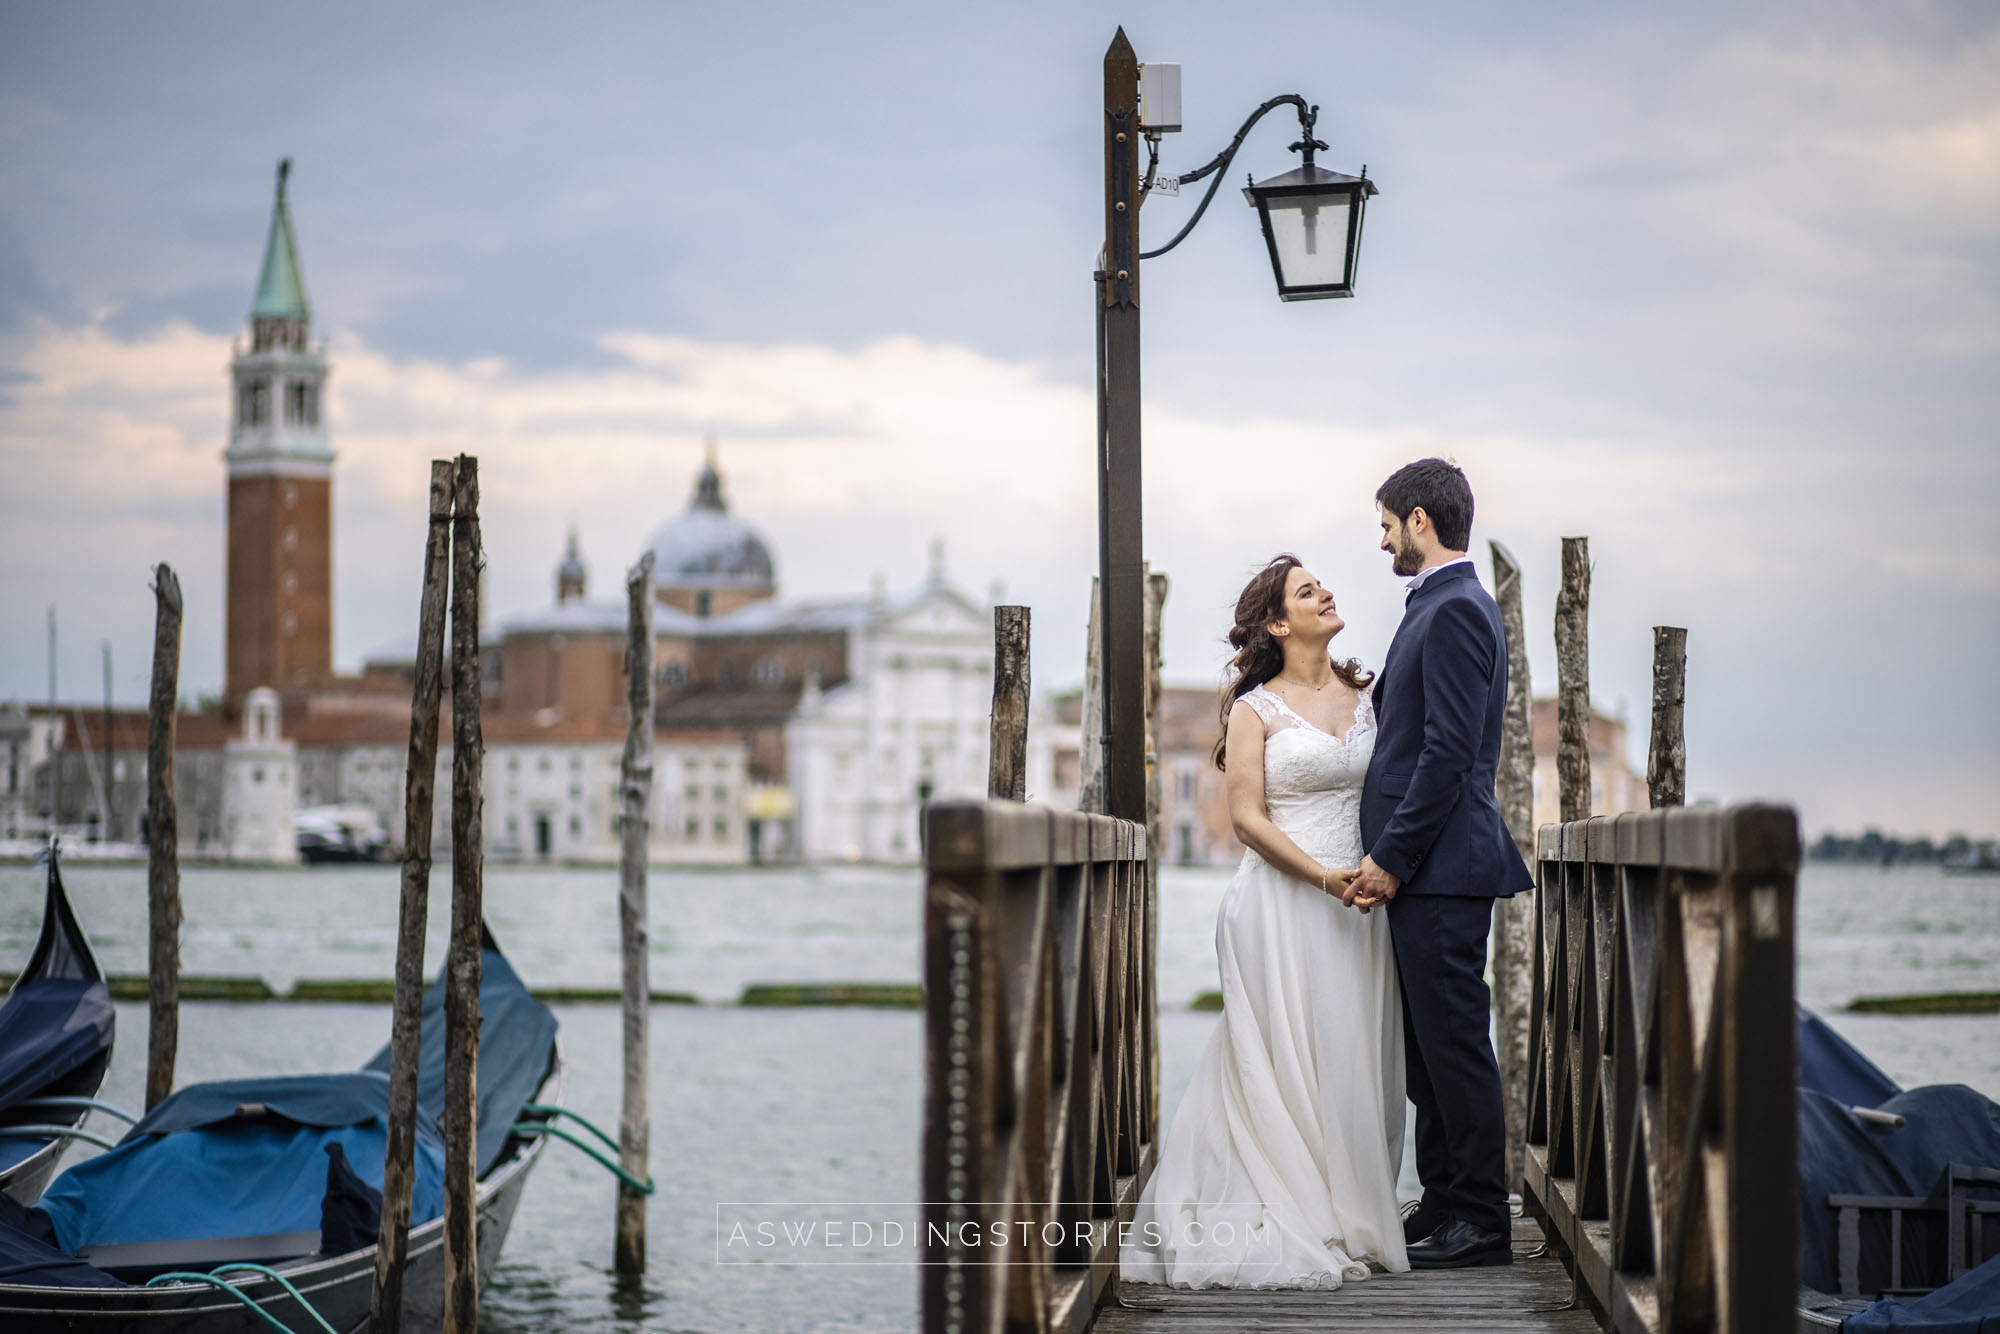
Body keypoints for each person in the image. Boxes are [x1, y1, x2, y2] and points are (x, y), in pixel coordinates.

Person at [1119, 554, 1408, 1290]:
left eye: (1323, 584)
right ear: (1278, 624)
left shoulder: (1371, 692)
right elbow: (1246, 818)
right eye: (1308, 591)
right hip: (1285, 900)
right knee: (1281, 1063)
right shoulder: (1255, 710)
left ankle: (1352, 1209)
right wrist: (1321, 878)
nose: (1327, 592)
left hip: (1365, 903)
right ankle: (1292, 1210)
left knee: (1353, 1057)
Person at [1345, 458, 1534, 1269]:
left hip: (1443, 866)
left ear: (1421, 519)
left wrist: (1391, 855)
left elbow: (1450, 751)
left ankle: (1483, 1218)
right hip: (1430, 868)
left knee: (1454, 1041)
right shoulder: (1437, 605)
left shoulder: (1457, 609)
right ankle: (1445, 1198)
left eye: (1388, 521)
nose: (1382, 535)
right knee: (1426, 1046)